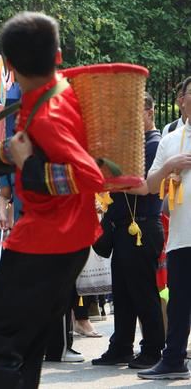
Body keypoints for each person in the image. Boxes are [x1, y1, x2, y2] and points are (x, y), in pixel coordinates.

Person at [0, 12, 105, 388]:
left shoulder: (47, 113)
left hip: (45, 244)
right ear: (57, 55)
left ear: (8, 64)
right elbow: (26, 145)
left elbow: (88, 175)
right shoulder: (57, 91)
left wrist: (29, 166)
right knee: (23, 346)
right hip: (67, 242)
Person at [91, 92, 165, 370]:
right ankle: (121, 346)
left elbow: (141, 184)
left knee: (142, 291)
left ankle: (153, 349)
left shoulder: (153, 145)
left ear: (149, 112)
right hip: (124, 227)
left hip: (141, 225)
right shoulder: (134, 145)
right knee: (122, 292)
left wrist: (108, 179)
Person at [139, 75, 191, 380]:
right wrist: (171, 167)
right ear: (181, 100)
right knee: (179, 301)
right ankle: (173, 360)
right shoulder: (171, 138)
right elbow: (149, 185)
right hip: (181, 234)